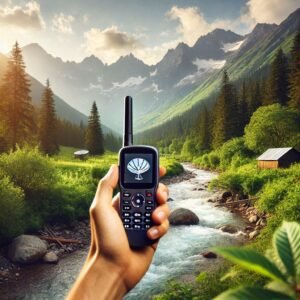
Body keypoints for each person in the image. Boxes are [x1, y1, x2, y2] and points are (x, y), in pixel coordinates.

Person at [67, 164, 170, 300]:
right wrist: (111, 267)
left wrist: (115, 270)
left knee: (156, 211)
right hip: (137, 233)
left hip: (140, 238)